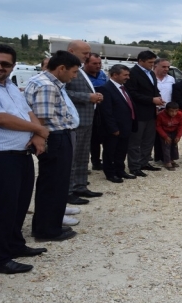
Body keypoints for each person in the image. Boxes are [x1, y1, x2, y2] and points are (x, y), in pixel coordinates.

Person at [0, 44, 49, 274]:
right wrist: (40, 130)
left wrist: (36, 134)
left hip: (20, 156)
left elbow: (27, 110)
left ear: (13, 66)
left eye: (5, 63)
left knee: (18, 205)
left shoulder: (9, 85)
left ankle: (14, 245)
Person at [25, 50, 82, 242]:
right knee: (53, 184)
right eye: (73, 72)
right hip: (54, 137)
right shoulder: (47, 86)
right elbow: (41, 119)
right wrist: (40, 137)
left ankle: (50, 224)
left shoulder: (43, 81)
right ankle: (47, 230)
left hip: (56, 136)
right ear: (61, 68)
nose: (74, 76)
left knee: (53, 183)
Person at [65, 40, 104, 205]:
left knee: (82, 156)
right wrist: (88, 97)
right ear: (72, 51)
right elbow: (64, 93)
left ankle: (80, 185)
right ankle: (68, 191)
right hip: (76, 120)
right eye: (85, 53)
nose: (87, 56)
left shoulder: (79, 70)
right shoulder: (65, 69)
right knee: (72, 158)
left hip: (87, 119)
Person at [125, 50, 163, 177]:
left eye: (153, 62)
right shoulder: (132, 73)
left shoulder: (151, 73)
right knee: (135, 141)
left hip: (151, 112)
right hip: (138, 112)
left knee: (148, 139)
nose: (152, 65)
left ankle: (144, 162)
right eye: (150, 62)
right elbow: (132, 93)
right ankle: (134, 166)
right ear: (140, 61)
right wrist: (151, 100)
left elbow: (153, 89)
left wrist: (158, 97)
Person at [96, 64, 137, 183]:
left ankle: (120, 170)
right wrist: (113, 128)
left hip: (125, 126)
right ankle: (110, 173)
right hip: (114, 128)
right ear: (114, 75)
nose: (128, 77)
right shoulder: (106, 89)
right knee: (110, 150)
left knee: (121, 150)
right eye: (125, 75)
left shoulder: (123, 87)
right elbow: (106, 111)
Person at [85, 53, 108, 171]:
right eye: (94, 63)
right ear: (86, 63)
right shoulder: (82, 76)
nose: (98, 66)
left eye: (99, 63)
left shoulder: (103, 75)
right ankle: (92, 162)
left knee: (103, 135)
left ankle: (103, 161)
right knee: (91, 138)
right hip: (88, 110)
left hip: (102, 109)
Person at [153, 58, 175, 164]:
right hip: (154, 109)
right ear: (155, 66)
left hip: (167, 111)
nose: (166, 69)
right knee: (153, 135)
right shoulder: (151, 78)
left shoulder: (171, 79)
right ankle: (156, 157)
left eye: (168, 67)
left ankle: (166, 157)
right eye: (164, 67)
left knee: (167, 135)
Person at [156, 102, 182, 171]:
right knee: (166, 146)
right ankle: (167, 162)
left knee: (174, 145)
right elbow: (158, 126)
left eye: (176, 111)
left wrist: (178, 136)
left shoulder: (180, 114)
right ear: (166, 110)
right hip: (165, 131)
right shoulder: (161, 115)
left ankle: (172, 159)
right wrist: (164, 136)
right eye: (171, 111)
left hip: (174, 131)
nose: (174, 113)